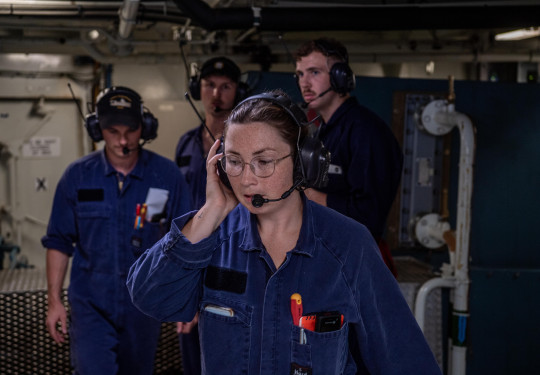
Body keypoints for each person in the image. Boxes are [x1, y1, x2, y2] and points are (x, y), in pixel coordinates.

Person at [127, 91, 441, 374]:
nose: (247, 179)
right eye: (234, 162)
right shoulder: (212, 239)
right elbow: (150, 298)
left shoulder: (348, 246)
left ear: (304, 162)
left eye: (263, 162)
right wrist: (211, 212)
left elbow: (406, 361)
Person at [42, 86, 191, 375]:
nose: (123, 140)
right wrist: (54, 302)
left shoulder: (166, 176)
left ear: (145, 127)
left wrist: (186, 298)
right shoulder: (77, 176)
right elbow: (59, 242)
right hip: (91, 305)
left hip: (144, 305)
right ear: (98, 130)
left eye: (131, 130)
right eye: (113, 131)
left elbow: (186, 240)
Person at [295, 38, 403, 276]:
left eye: (314, 72)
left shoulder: (366, 131)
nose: (305, 82)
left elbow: (368, 215)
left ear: (340, 77)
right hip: (328, 260)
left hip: (358, 263)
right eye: (300, 74)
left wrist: (304, 194)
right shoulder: (323, 132)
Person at [174, 56, 247, 375]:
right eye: (209, 86)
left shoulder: (245, 146)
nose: (216, 94)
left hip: (233, 256)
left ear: (236, 92)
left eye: (225, 86)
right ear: (197, 89)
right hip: (192, 254)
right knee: (191, 353)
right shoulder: (186, 143)